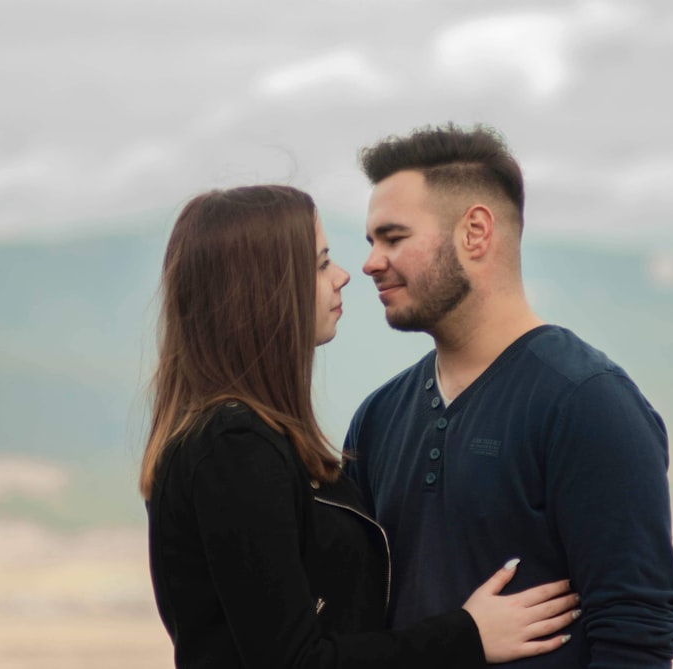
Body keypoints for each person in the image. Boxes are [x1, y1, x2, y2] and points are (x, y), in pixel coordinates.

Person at [139, 185, 581, 668]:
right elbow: (294, 662)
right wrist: (467, 635)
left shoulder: (242, 440)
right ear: (263, 288)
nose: (346, 275)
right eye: (321, 262)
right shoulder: (234, 448)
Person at [344, 125, 673, 668]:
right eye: (371, 242)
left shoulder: (588, 403)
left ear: (475, 232)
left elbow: (637, 634)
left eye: (393, 238)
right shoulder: (378, 418)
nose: (370, 263)